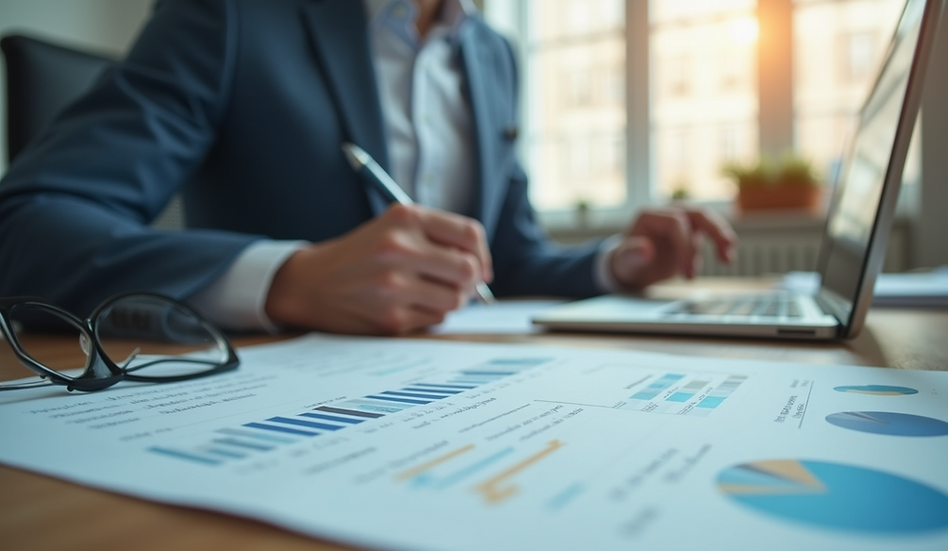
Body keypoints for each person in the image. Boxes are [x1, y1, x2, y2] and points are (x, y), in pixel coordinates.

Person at [0, 0, 736, 336]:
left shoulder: (494, 55)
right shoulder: (228, 17)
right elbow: (25, 228)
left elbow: (505, 257)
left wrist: (617, 263)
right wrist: (288, 277)